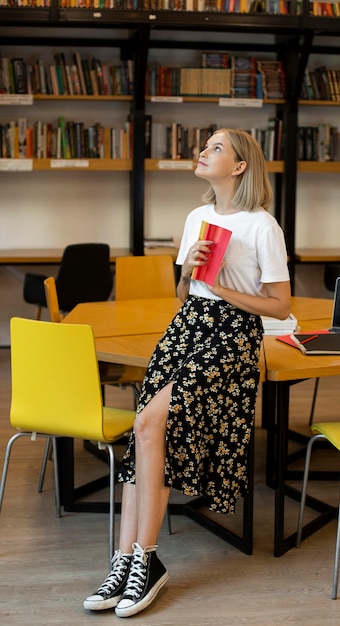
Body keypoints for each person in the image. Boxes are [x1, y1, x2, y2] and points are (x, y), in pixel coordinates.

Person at [83, 128, 291, 618]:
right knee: (143, 432)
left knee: (150, 425)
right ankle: (126, 559)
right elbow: (184, 292)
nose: (203, 151)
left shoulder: (263, 226)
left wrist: (218, 285)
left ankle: (147, 560)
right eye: (206, 145)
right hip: (185, 328)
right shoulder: (197, 216)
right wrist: (191, 272)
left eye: (217, 147)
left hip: (230, 335)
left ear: (240, 166)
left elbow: (279, 305)